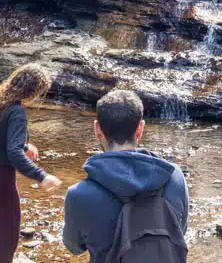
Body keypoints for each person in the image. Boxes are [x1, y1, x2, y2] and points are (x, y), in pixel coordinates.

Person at [63, 88, 188, 263]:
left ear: (97, 129)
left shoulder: (79, 194)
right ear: (140, 129)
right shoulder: (174, 176)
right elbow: (180, 230)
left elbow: (73, 247)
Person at [0, 63, 63, 263]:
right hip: (0, 182)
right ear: (33, 90)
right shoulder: (16, 112)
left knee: (4, 235)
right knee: (9, 240)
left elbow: (2, 140)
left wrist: (24, 145)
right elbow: (13, 153)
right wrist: (42, 176)